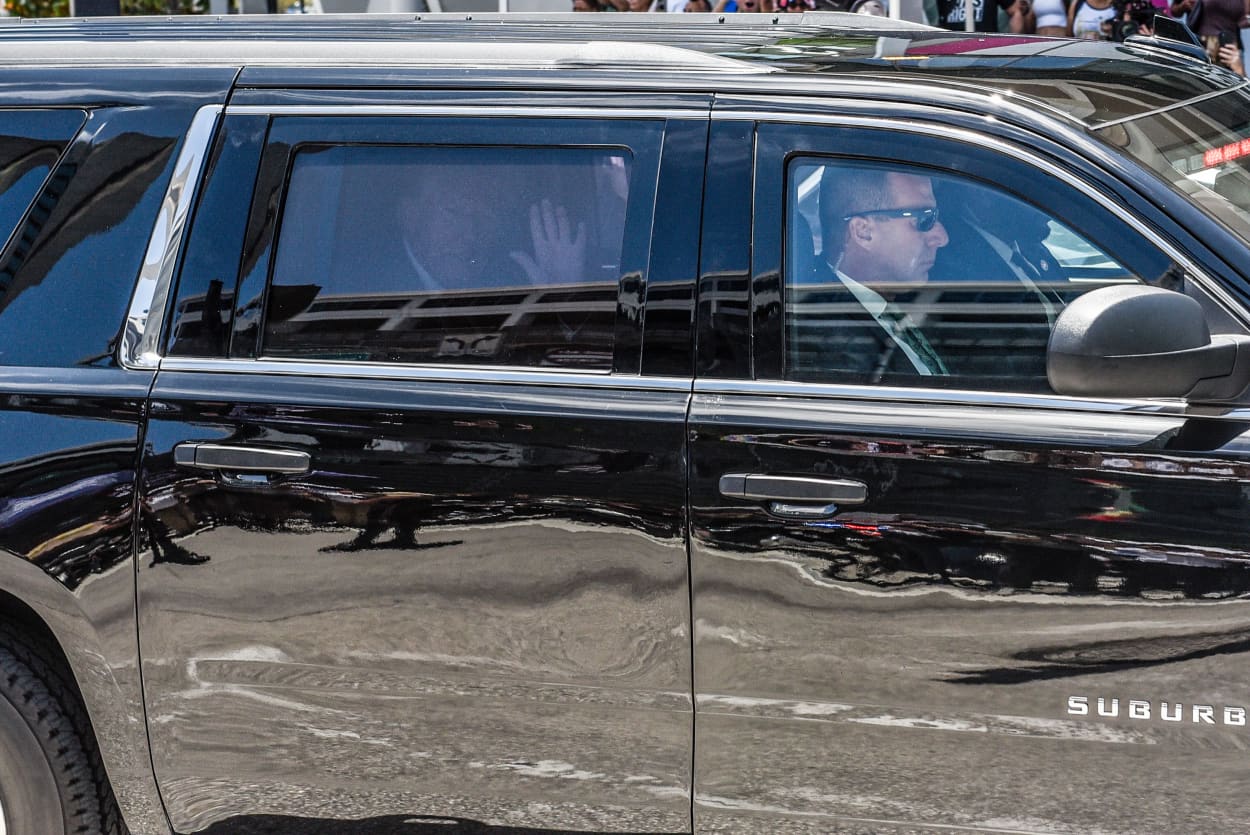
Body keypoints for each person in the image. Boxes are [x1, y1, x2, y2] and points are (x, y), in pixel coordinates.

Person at [803, 166, 952, 378]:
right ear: (863, 232)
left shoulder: (897, 302)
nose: (942, 237)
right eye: (924, 220)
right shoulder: (830, 347)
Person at [937, 0, 1032, 32]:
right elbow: (943, 23)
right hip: (952, 46)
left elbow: (1015, 11)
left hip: (985, 45)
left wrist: (1013, 45)